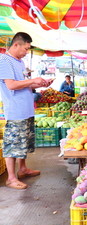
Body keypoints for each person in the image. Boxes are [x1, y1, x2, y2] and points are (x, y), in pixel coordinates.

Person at [0, 32, 53, 189]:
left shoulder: (20, 62)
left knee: (24, 142)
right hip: (16, 111)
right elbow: (11, 85)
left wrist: (40, 84)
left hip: (26, 109)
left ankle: (22, 169)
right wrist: (33, 80)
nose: (26, 52)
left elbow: (24, 84)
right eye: (26, 48)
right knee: (13, 143)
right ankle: (10, 178)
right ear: (16, 45)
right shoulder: (4, 61)